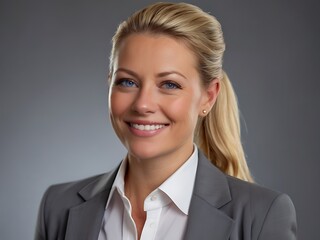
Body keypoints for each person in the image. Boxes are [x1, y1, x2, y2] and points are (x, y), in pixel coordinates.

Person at [35, 2, 297, 240]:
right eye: (128, 82)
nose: (143, 104)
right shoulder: (57, 206)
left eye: (169, 84)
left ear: (208, 97)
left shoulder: (262, 217)